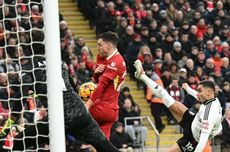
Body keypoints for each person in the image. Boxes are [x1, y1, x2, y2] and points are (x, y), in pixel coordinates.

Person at [134, 59, 222, 152]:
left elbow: (203, 139)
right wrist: (188, 89)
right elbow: (197, 95)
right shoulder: (211, 98)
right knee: (165, 96)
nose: (198, 94)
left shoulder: (210, 113)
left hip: (194, 139)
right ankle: (143, 76)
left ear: (209, 92)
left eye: (199, 91)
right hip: (192, 121)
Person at [85, 31, 126, 139]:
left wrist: (88, 105)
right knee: (100, 145)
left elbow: (102, 85)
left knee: (72, 110)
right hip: (109, 110)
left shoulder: (116, 61)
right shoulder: (102, 56)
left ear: (109, 45)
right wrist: (96, 73)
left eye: (99, 45)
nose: (97, 48)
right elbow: (98, 80)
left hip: (103, 108)